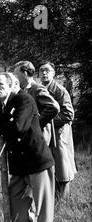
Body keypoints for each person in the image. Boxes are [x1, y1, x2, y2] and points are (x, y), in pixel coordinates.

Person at [0, 72, 55, 222]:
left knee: (42, 206)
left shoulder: (24, 100)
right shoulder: (3, 105)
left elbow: (17, 128)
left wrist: (3, 121)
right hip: (19, 166)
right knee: (17, 203)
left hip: (36, 161)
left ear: (11, 85)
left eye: (0, 84)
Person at [39, 62, 77, 199]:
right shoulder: (39, 90)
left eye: (47, 70)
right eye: (41, 70)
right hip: (45, 136)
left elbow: (68, 114)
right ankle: (50, 198)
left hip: (59, 135)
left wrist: (45, 121)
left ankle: (63, 200)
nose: (44, 73)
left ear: (53, 73)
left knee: (62, 168)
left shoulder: (60, 90)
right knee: (47, 168)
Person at [13, 61, 59, 146]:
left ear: (25, 73)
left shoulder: (37, 88)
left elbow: (54, 107)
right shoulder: (23, 90)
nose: (15, 78)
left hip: (39, 138)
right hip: (28, 138)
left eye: (16, 75)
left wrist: (38, 123)